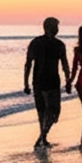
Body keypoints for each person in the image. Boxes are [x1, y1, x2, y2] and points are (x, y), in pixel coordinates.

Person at [24, 17, 70, 148]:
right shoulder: (58, 44)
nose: (57, 29)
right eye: (56, 27)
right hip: (50, 82)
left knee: (43, 112)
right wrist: (68, 80)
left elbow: (28, 64)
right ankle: (42, 137)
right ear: (50, 28)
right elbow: (64, 64)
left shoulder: (36, 43)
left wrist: (26, 83)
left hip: (39, 81)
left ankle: (42, 138)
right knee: (53, 112)